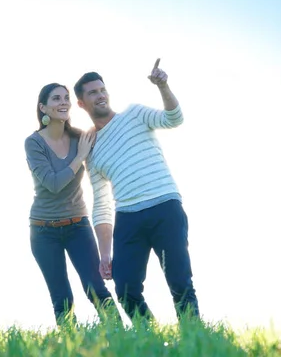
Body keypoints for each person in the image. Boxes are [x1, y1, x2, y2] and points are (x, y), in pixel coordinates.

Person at [73, 59, 200, 322]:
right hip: (129, 218)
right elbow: (101, 203)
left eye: (102, 89)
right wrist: (105, 251)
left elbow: (174, 118)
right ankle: (150, 342)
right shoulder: (91, 148)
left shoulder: (135, 114)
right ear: (81, 104)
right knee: (126, 289)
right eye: (93, 92)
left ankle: (194, 340)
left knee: (180, 283)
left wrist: (163, 86)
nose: (100, 95)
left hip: (164, 206)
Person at [24, 83, 120, 325]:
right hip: (43, 231)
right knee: (62, 299)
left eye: (66, 98)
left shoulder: (81, 137)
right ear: (43, 107)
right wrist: (79, 157)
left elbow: (110, 148)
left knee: (96, 290)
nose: (63, 102)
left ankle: (122, 341)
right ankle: (70, 348)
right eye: (56, 98)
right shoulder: (33, 143)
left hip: (78, 226)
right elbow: (53, 183)